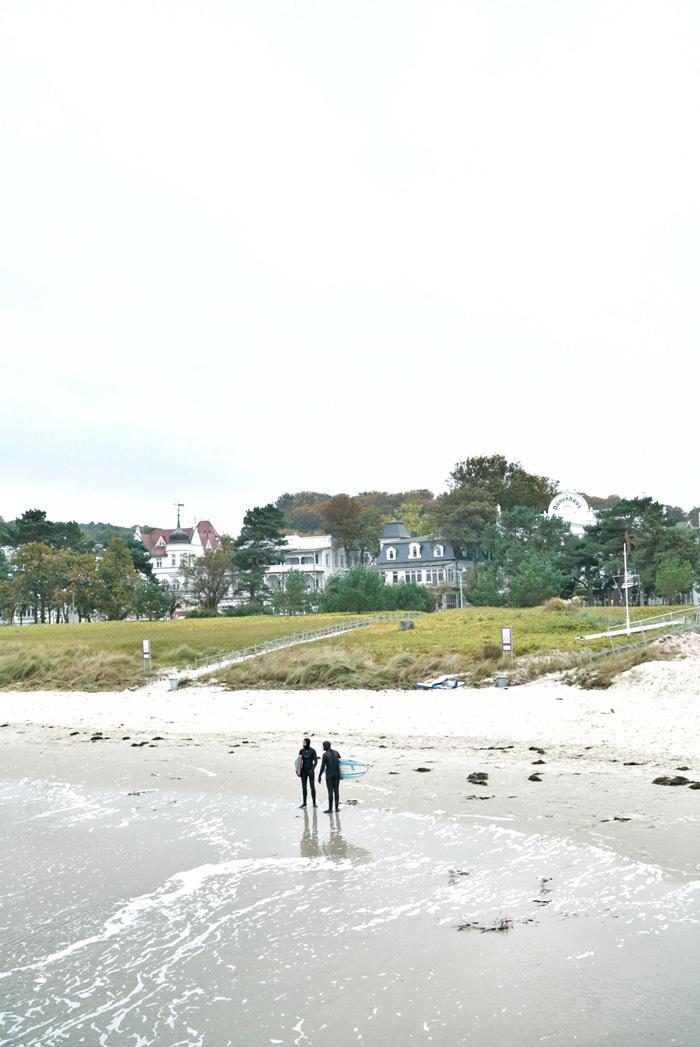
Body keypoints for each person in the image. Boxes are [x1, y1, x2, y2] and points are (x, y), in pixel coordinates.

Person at [318, 739, 341, 813]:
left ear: (326, 746)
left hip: (329, 775)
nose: (323, 747)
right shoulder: (336, 752)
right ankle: (336, 808)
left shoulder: (325, 754)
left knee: (330, 792)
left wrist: (319, 775)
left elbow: (323, 766)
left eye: (323, 746)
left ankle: (330, 809)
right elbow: (341, 763)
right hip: (337, 774)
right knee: (336, 791)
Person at [298, 737, 318, 808]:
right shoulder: (301, 751)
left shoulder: (312, 751)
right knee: (304, 787)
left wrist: (312, 769)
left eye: (304, 742)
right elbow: (299, 762)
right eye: (303, 742)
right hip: (303, 771)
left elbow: (316, 761)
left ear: (308, 743)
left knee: (312, 787)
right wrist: (298, 771)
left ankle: (314, 803)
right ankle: (304, 803)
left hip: (310, 771)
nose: (303, 744)